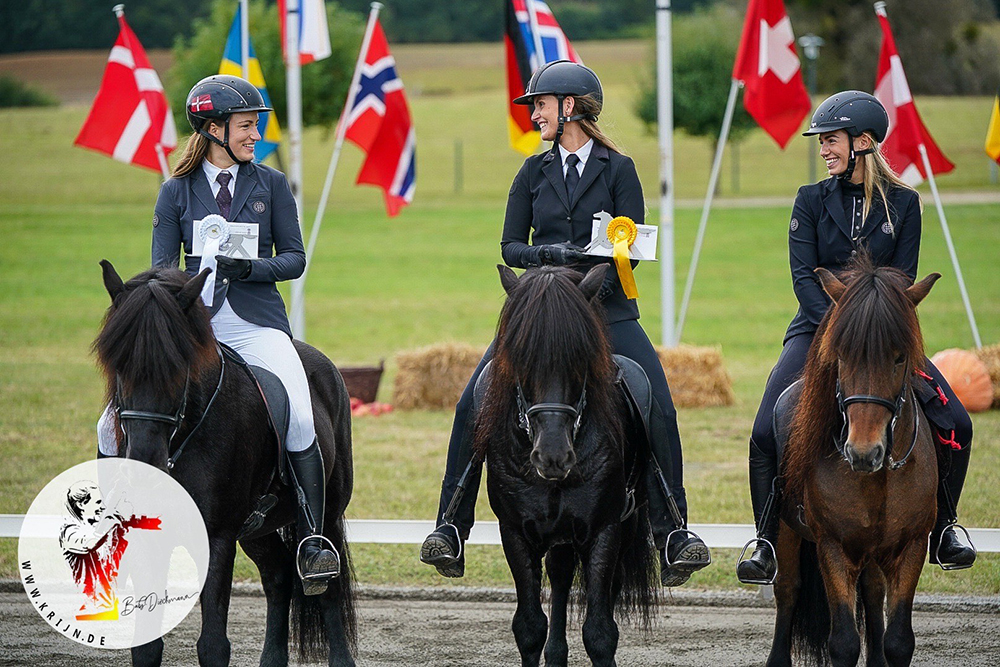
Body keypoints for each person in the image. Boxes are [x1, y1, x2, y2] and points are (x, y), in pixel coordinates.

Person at [419, 60, 711, 587]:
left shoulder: (619, 170)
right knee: (472, 399)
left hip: (606, 308)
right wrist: (546, 254)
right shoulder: (531, 172)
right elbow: (509, 245)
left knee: (656, 401)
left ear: (569, 107)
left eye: (541, 105)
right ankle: (450, 526)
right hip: (541, 308)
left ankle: (673, 532)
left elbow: (636, 246)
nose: (534, 114)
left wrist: (596, 262)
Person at [95, 74, 338, 595]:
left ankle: (314, 540)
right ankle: (113, 528)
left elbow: (294, 259)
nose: (256, 135)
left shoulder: (271, 185)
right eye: (248, 126)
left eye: (256, 126)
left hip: (257, 324)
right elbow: (161, 270)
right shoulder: (175, 191)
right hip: (191, 327)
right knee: (105, 425)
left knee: (298, 411)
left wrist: (244, 267)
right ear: (214, 128)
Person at [736, 91, 976, 585]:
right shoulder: (809, 200)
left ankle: (945, 526)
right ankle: (764, 539)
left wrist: (871, 331)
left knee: (957, 420)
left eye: (831, 141)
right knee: (765, 428)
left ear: (863, 142)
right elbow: (804, 280)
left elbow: (901, 279)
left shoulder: (906, 205)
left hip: (885, 334)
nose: (824, 150)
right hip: (817, 329)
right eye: (822, 143)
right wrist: (843, 329)